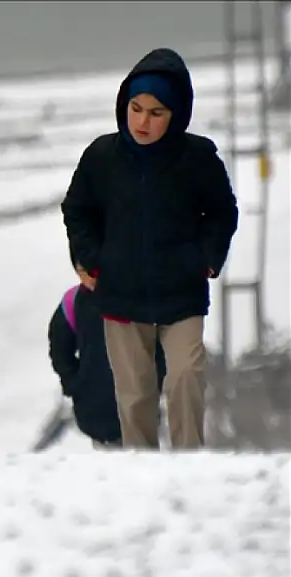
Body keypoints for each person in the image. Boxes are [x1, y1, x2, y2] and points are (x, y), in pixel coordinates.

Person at [60, 48, 239, 450]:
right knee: (135, 396)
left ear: (176, 115)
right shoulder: (101, 157)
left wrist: (208, 258)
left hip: (182, 291)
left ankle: (190, 464)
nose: (143, 121)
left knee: (186, 377)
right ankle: (142, 476)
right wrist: (88, 258)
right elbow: (78, 210)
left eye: (157, 113)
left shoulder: (199, 158)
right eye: (136, 108)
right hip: (120, 292)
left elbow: (222, 212)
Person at [48, 283, 167, 449]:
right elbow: (60, 349)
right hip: (104, 411)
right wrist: (75, 385)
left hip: (125, 410)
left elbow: (163, 348)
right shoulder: (75, 300)